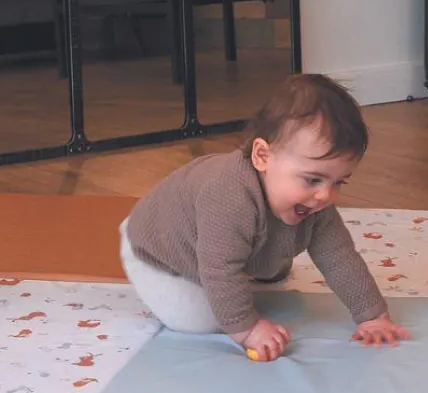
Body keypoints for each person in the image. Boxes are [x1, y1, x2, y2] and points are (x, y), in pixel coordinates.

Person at [120, 73, 411, 360]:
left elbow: (340, 257)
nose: (325, 195)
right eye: (312, 179)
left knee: (268, 257)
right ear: (262, 156)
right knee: (200, 320)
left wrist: (372, 315)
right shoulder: (227, 197)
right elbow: (220, 269)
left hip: (220, 247)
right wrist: (247, 329)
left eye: (339, 182)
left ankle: (253, 267)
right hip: (161, 251)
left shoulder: (315, 202)